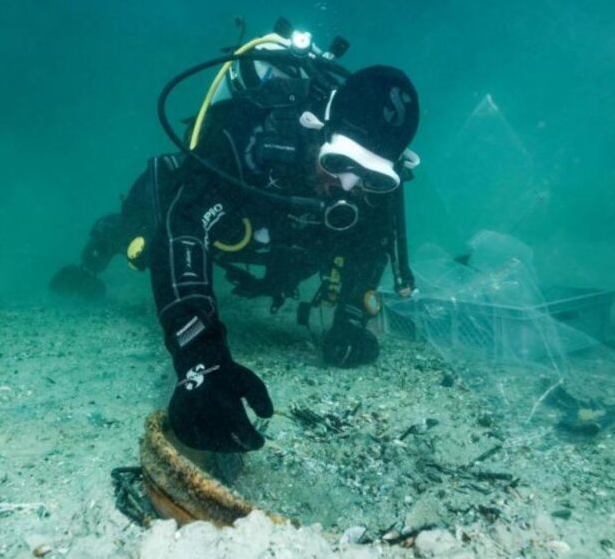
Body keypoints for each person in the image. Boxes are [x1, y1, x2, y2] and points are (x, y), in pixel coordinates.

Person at [50, 23, 421, 453]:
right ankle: (97, 252)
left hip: (275, 246)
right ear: (317, 127)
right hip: (216, 216)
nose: (348, 185)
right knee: (148, 234)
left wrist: (349, 320)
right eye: (339, 162)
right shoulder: (248, 133)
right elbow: (185, 230)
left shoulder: (372, 194)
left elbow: (371, 246)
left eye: (371, 176)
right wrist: (201, 358)